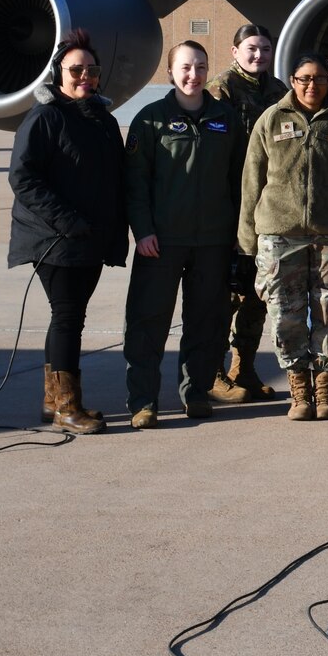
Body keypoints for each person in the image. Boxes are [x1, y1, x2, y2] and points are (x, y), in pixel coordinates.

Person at [240, 54, 328, 421]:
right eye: (303, 79)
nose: (311, 85)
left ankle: (326, 388)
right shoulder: (271, 120)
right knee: (285, 314)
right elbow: (252, 180)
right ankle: (299, 390)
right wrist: (248, 238)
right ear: (292, 80)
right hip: (279, 234)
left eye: (318, 79)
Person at [8, 29, 127, 435]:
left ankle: (51, 400)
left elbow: (113, 179)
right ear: (59, 72)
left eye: (91, 70)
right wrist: (66, 220)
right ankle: (67, 407)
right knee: (68, 317)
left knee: (66, 317)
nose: (84, 76)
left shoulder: (103, 120)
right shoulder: (45, 117)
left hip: (88, 239)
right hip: (55, 239)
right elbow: (24, 178)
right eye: (76, 69)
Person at [122, 40, 241, 428]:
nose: (194, 75)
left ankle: (195, 392)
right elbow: (135, 182)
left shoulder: (227, 118)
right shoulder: (151, 119)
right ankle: (143, 401)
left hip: (213, 239)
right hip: (161, 241)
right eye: (186, 67)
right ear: (170, 72)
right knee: (148, 321)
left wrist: (238, 235)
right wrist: (143, 231)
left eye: (201, 67)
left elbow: (240, 180)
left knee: (206, 321)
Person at [205, 23, 284, 402]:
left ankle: (245, 368)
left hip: (268, 205)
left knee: (258, 292)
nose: (258, 56)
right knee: (227, 295)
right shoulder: (220, 90)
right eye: (251, 48)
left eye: (265, 49)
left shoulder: (279, 91)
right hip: (230, 205)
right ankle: (215, 372)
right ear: (235, 51)